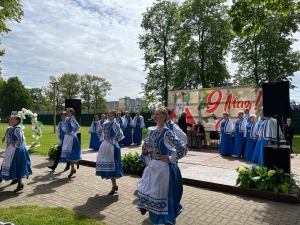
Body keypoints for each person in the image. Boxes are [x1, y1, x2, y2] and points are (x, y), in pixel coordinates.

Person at [137, 107, 188, 225]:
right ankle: (158, 220)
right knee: (152, 193)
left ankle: (166, 220)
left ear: (164, 117)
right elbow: (148, 148)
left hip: (163, 168)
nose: (155, 116)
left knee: (162, 194)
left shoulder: (167, 132)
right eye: (154, 114)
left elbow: (182, 148)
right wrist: (146, 152)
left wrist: (171, 158)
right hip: (153, 167)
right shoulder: (151, 132)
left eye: (158, 114)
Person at [0, 115, 32, 192]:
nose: (10, 120)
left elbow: (21, 139)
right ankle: (18, 183)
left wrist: (16, 144)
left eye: (12, 119)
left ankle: (19, 184)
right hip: (12, 150)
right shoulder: (11, 129)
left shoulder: (17, 129)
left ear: (17, 121)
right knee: (12, 166)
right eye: (10, 119)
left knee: (17, 166)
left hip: (18, 150)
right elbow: (8, 139)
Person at [96, 109, 124, 195]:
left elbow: (120, 134)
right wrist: (103, 139)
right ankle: (114, 186)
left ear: (114, 115)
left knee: (112, 166)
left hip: (113, 147)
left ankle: (114, 186)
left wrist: (113, 141)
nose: (108, 115)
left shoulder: (115, 124)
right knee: (106, 163)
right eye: (108, 113)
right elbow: (99, 132)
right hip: (105, 146)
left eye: (110, 114)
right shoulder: (105, 124)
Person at [60, 108, 81, 178]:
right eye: (67, 111)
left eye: (68, 111)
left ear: (71, 113)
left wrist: (71, 132)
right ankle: (73, 167)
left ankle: (72, 169)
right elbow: (63, 127)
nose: (66, 112)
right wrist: (66, 131)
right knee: (69, 154)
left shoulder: (72, 119)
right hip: (67, 137)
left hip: (71, 138)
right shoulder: (67, 119)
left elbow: (77, 126)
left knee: (70, 154)